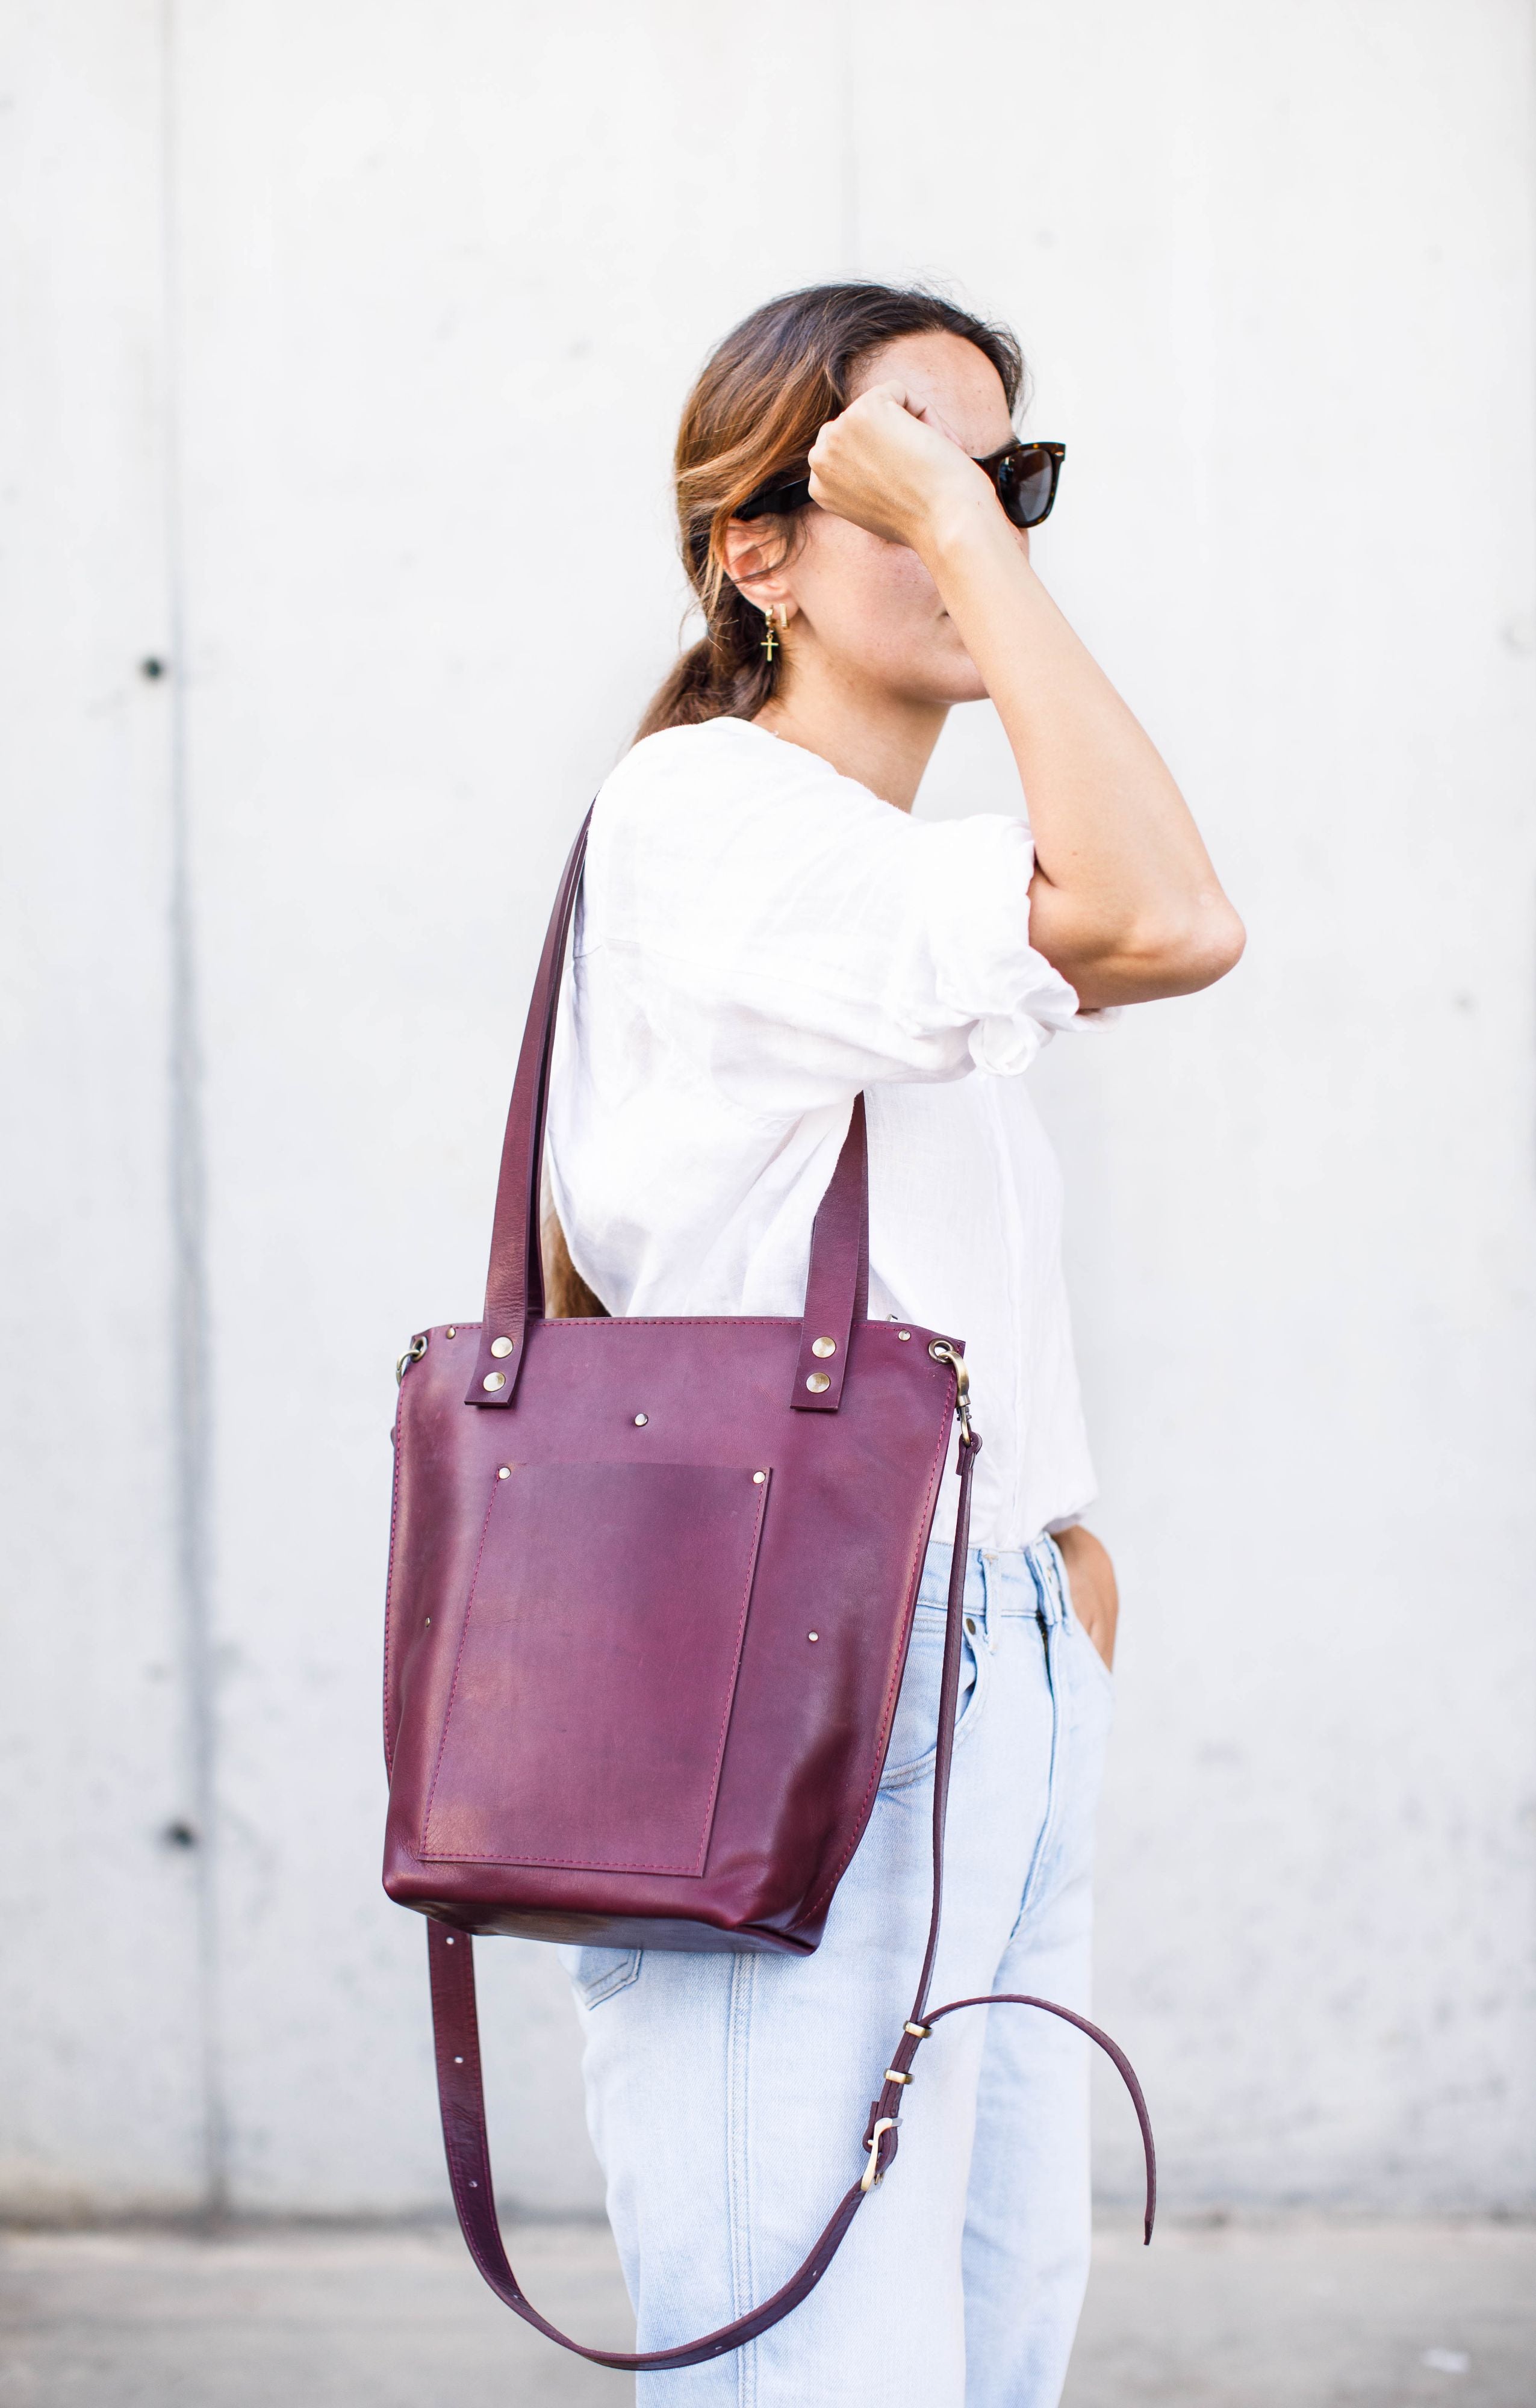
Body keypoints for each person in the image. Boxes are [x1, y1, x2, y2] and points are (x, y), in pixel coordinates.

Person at [544, 282, 1243, 2407]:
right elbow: (1171, 919)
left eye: (1009, 479)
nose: (974, 529)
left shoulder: (886, 880)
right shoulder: (701, 823)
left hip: (991, 1651)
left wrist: (1057, 1563)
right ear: (753, 551)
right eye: (903, 475)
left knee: (991, 2337)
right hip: (800, 1665)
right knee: (819, 2363)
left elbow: (1119, 919)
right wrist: (972, 527)